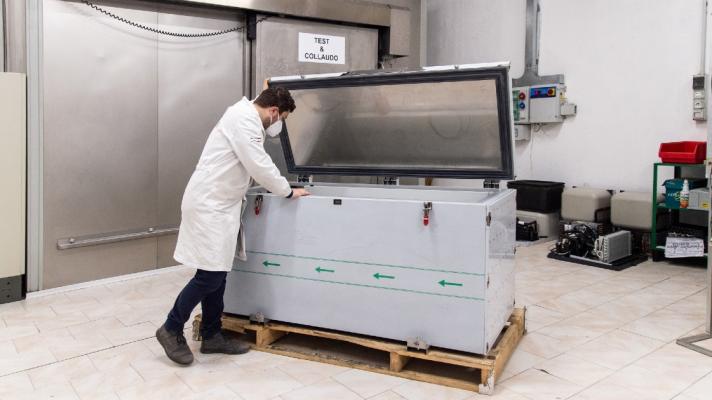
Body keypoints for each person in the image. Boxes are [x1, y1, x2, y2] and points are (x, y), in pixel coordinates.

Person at [156, 87, 309, 365]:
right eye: (282, 119)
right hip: (209, 205)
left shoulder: (244, 117)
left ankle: (212, 335)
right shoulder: (243, 119)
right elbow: (258, 164)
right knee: (210, 276)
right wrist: (287, 191)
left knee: (219, 272)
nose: (279, 126)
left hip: (221, 206)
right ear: (274, 112)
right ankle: (170, 327)